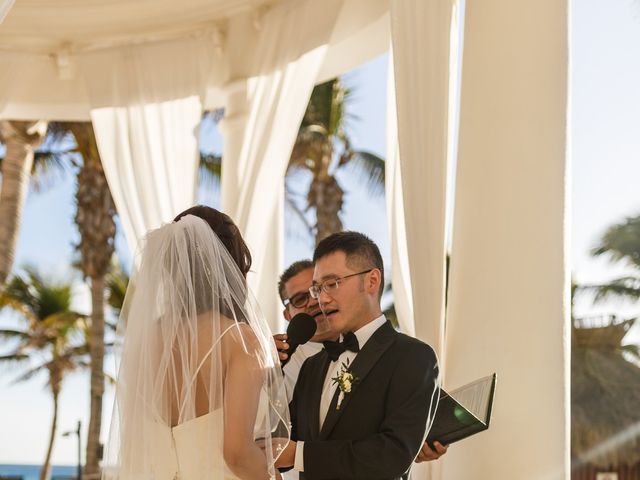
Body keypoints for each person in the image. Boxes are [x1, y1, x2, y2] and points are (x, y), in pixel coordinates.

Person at [105, 206, 289, 480]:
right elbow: (236, 453)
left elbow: (135, 439)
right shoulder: (239, 339)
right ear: (230, 267)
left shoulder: (147, 341)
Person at [276, 232, 441, 479]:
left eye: (332, 284)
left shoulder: (414, 357)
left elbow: (393, 455)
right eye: (318, 288)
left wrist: (299, 454)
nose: (322, 298)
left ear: (372, 281)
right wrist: (262, 370)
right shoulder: (312, 366)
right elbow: (284, 440)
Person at [274, 260, 337, 400]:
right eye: (300, 299)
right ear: (288, 315)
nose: (314, 302)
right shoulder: (281, 367)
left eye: (317, 290)